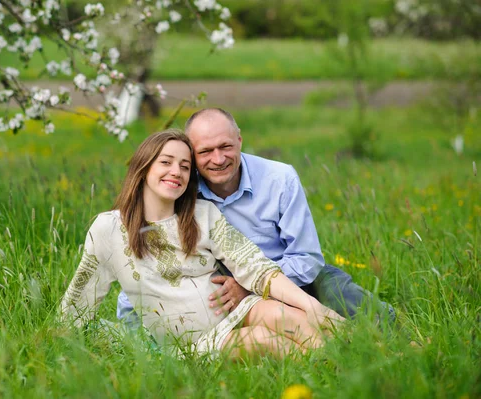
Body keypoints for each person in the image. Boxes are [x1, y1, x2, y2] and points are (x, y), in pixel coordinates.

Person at [61, 129, 343, 358]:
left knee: (288, 315)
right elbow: (78, 303)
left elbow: (257, 268)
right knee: (265, 340)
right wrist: (93, 340)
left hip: (235, 311)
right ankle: (340, 370)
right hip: (193, 345)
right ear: (143, 167)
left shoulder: (201, 214)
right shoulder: (109, 228)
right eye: (166, 162)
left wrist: (311, 305)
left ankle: (364, 353)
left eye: (185, 166)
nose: (177, 171)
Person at [118, 108, 395, 324]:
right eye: (205, 151)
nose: (218, 159)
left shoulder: (279, 178)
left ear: (239, 140)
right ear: (191, 153)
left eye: (225, 146)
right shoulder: (181, 190)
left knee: (333, 287)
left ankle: (402, 336)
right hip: (220, 290)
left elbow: (307, 258)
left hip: (291, 279)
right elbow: (147, 256)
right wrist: (130, 312)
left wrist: (251, 287)